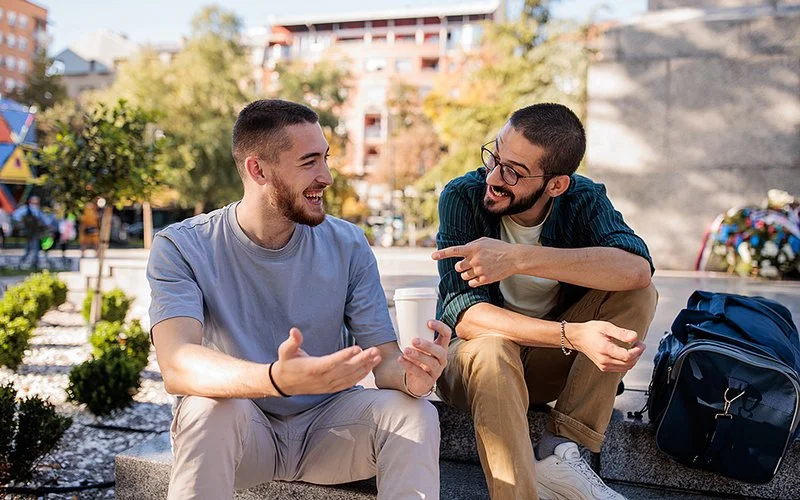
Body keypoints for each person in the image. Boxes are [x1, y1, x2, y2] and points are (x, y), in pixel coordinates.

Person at [147, 99, 451, 500]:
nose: (326, 176)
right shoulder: (182, 245)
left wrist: (413, 375)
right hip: (243, 431)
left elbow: (384, 358)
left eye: (325, 159)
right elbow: (177, 364)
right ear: (258, 169)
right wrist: (275, 379)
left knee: (416, 414)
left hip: (331, 430)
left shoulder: (348, 243)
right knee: (206, 410)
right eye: (309, 162)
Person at [431, 103, 658, 500]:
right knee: (492, 348)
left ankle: (562, 450)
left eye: (514, 172)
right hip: (469, 368)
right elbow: (466, 318)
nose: (494, 178)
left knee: (637, 292)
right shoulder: (462, 196)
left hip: (546, 365)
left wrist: (519, 257)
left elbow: (637, 270)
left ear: (556, 185)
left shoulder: (583, 200)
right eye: (495, 157)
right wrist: (572, 335)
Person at [13, 196, 45, 269]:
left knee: (29, 249)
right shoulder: (27, 209)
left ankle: (24, 263)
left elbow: (15, 216)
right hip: (31, 232)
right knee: (34, 248)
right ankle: (34, 264)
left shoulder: (34, 210)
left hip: (32, 232)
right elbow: (16, 216)